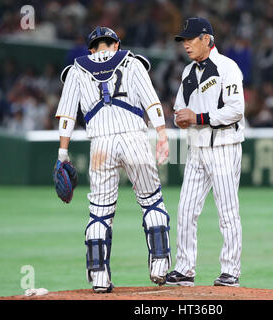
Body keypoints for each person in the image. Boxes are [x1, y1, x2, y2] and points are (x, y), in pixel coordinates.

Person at [54, 26, 171, 293]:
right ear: (116, 45)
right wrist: (162, 134)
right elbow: (152, 102)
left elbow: (67, 116)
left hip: (101, 146)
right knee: (151, 200)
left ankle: (98, 277)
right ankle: (160, 264)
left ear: (91, 49)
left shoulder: (76, 69)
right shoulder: (132, 61)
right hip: (135, 140)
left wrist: (63, 153)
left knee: (100, 212)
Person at [165, 17, 245, 287]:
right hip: (197, 148)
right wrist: (181, 118)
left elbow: (236, 109)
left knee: (227, 211)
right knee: (186, 210)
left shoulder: (227, 68)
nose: (186, 44)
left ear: (207, 39)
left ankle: (230, 270)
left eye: (190, 39)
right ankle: (185, 268)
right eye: (184, 40)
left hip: (223, 145)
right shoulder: (188, 72)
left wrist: (196, 118)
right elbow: (179, 109)